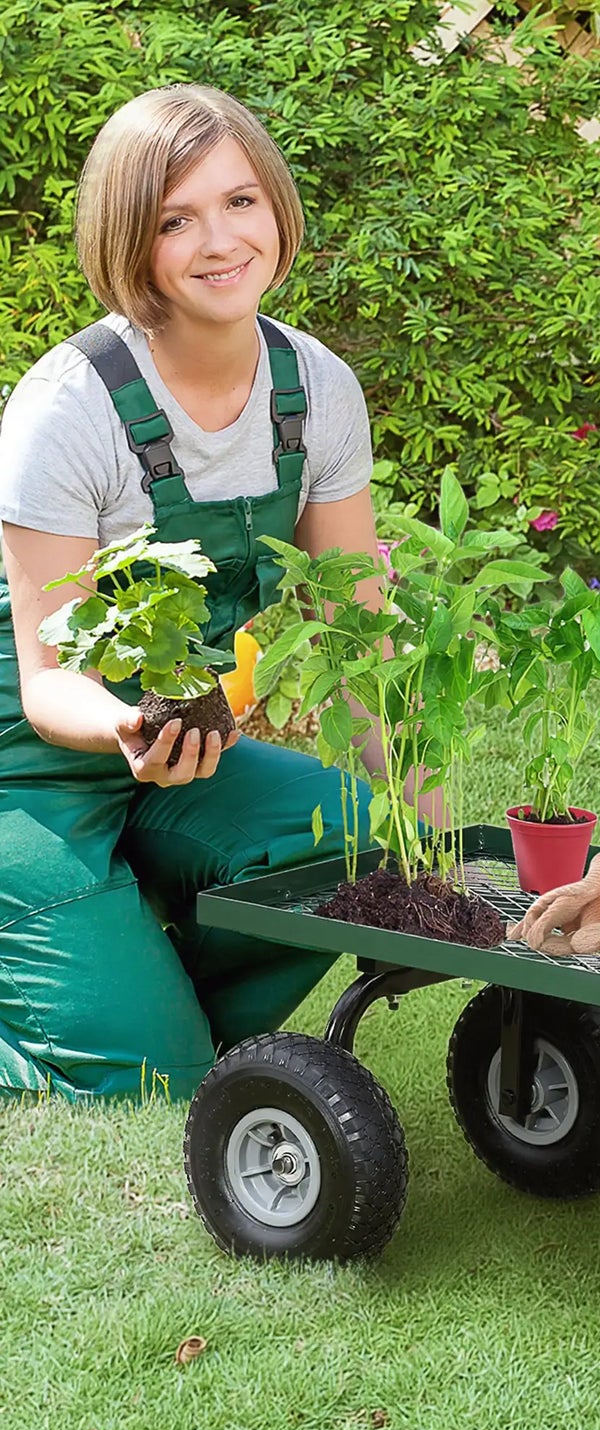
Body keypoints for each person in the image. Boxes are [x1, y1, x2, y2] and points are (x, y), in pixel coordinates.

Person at [0, 84, 434, 1102]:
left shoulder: (313, 389)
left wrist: (426, 825)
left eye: (241, 201)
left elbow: (355, 627)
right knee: (156, 1078)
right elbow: (46, 682)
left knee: (355, 835)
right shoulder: (67, 410)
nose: (221, 241)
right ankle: (85, 982)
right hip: (27, 770)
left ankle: (132, 967)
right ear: (129, 241)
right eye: (174, 220)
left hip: (181, 755)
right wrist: (125, 728)